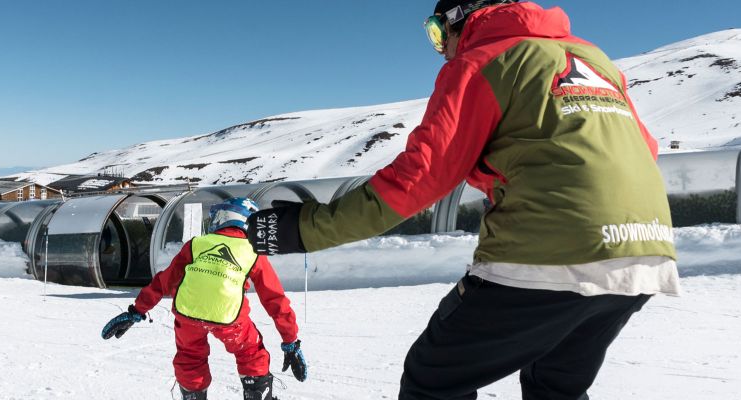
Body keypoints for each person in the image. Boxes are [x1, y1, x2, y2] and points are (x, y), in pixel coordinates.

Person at [246, 1, 680, 399]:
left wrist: (302, 228)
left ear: (461, 19)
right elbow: (645, 148)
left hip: (551, 250)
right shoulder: (593, 59)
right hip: (646, 250)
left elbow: (420, 177)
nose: (441, 50)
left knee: (434, 379)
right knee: (554, 384)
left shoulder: (482, 60)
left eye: (438, 33)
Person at [101, 198, 306, 400]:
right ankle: (257, 392)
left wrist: (136, 311)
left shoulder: (196, 244)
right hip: (229, 317)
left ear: (225, 218)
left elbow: (164, 281)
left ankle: (192, 395)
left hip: (187, 314)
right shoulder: (252, 251)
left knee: (190, 357)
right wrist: (290, 341)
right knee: (250, 351)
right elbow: (274, 298)